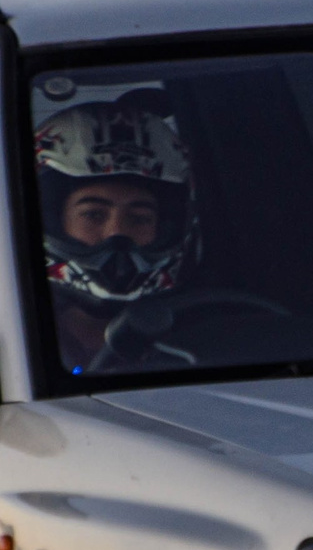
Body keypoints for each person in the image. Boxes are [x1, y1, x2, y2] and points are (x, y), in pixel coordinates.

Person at [36, 90, 198, 370]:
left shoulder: (201, 335)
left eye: (139, 218)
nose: (117, 233)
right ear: (52, 220)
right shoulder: (7, 336)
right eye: (93, 214)